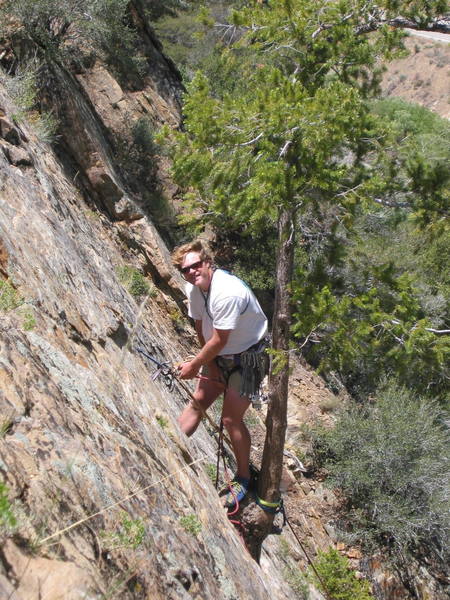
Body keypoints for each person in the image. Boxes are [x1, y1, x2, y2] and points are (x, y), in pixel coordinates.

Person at [172, 240, 268, 507]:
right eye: (185, 269)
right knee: (198, 402)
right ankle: (169, 445)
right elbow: (201, 326)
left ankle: (244, 477)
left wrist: (195, 365)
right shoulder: (195, 288)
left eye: (196, 265)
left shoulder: (228, 293)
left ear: (207, 262)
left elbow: (220, 339)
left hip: (251, 358)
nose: (191, 272)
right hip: (222, 354)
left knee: (230, 419)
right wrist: (209, 363)